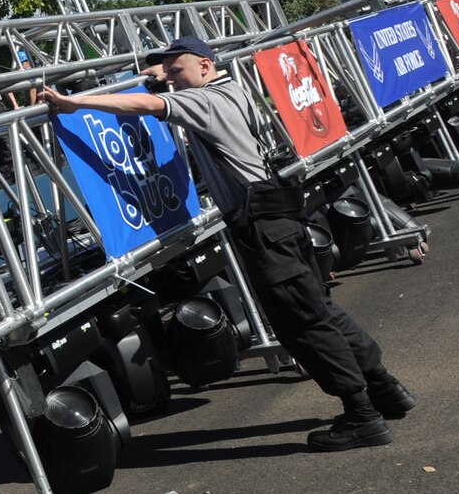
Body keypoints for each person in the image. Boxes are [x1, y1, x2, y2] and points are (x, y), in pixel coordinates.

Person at [34, 35, 416, 452]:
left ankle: (363, 415)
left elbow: (147, 106)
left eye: (177, 72)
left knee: (302, 324)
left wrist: (77, 103)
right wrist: (162, 72)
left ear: (203, 65)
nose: (171, 81)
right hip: (279, 220)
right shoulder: (231, 89)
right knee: (321, 310)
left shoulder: (205, 102)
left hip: (263, 231)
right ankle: (385, 388)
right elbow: (168, 85)